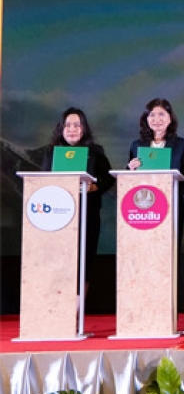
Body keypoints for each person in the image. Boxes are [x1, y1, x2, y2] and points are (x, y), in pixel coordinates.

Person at [40, 107, 114, 292]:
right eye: (67, 125)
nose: (72, 129)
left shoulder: (95, 152)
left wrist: (94, 187)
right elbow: (42, 179)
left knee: (84, 260)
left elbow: (108, 178)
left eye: (77, 125)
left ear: (84, 128)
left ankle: (78, 304)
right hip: (57, 216)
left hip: (87, 215)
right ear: (61, 129)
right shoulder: (52, 152)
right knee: (59, 260)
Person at [127, 98, 184, 248]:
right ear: (146, 119)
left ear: (170, 118)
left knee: (170, 249)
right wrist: (130, 168)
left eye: (161, 114)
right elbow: (128, 179)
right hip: (143, 208)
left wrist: (174, 189)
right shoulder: (137, 145)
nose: (156, 119)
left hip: (172, 205)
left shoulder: (183, 145)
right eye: (152, 115)